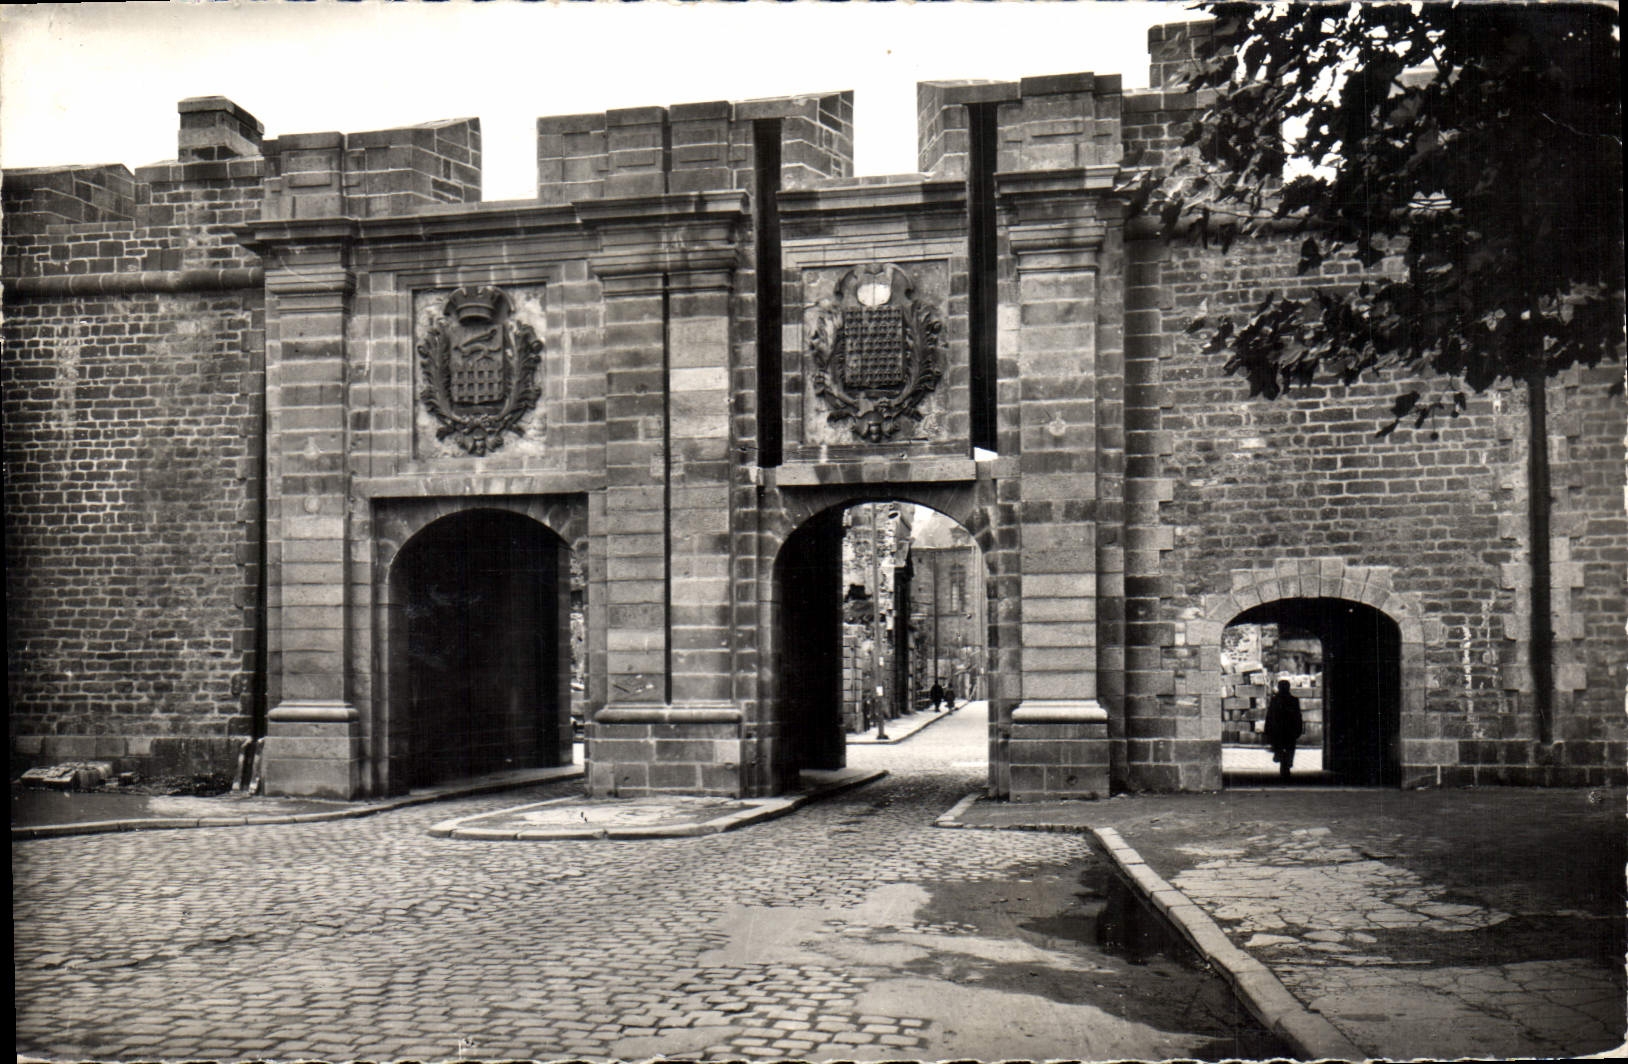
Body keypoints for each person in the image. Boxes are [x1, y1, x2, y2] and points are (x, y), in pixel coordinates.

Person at [1263, 679, 1304, 779]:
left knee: (1280, 748)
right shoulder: (1293, 700)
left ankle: (1282, 761)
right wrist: (1299, 728)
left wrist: (1267, 729)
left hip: (1279, 730)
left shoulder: (1275, 700)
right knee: (1290, 749)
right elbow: (1298, 716)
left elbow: (1269, 716)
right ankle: (1287, 764)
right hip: (1289, 730)